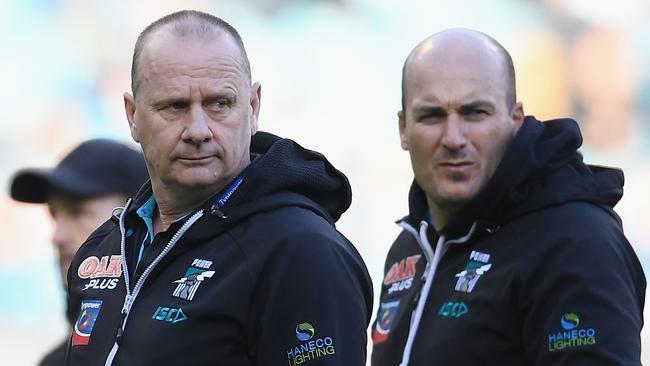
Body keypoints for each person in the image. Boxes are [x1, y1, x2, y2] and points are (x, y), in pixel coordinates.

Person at [64, 10, 373, 366]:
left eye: (219, 104)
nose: (198, 130)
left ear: (253, 107)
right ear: (132, 115)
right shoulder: (106, 246)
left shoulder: (300, 250)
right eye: (175, 106)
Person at [370, 29, 645, 366]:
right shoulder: (410, 246)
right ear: (403, 128)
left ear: (515, 120)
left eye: (475, 113)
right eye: (432, 115)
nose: (454, 138)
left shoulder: (575, 242)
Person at [9, 138, 148, 366]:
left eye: (78, 212)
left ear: (139, 215)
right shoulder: (55, 361)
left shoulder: (188, 341)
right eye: (54, 214)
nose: (57, 237)